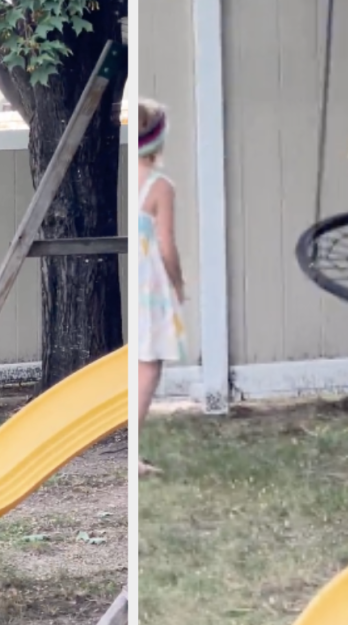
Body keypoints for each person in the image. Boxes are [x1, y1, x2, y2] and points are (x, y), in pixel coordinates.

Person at [137, 98, 187, 477]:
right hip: (150, 285)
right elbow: (167, 244)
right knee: (149, 366)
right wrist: (178, 283)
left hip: (135, 281)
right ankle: (132, 452)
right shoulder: (159, 186)